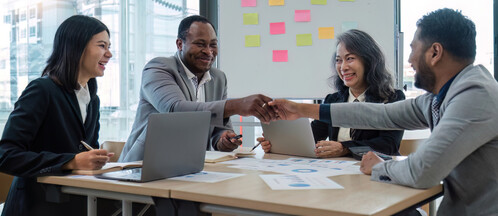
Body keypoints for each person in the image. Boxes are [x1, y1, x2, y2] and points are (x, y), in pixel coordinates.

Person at [267, 8, 498, 215]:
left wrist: (380, 166)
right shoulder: (441, 97)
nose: (410, 59)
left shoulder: (475, 96)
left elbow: (422, 171)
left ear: (435, 52)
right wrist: (301, 109)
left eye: (413, 49)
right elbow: (380, 115)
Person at [119, 15, 276, 162]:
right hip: (143, 166)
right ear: (180, 44)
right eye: (200, 44)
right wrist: (236, 105)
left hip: (193, 167)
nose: (208, 51)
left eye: (213, 45)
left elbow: (219, 130)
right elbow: (175, 109)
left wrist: (224, 140)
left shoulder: (218, 78)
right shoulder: (158, 68)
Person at [0, 15, 114, 215]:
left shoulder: (92, 100)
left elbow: (86, 150)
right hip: (36, 205)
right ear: (76, 47)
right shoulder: (42, 90)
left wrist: (95, 160)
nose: (109, 54)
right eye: (102, 46)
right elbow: (6, 155)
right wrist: (70, 161)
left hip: (75, 202)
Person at [257, 29, 405, 158]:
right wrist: (279, 144)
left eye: (350, 59)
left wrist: (345, 148)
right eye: (338, 60)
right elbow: (312, 138)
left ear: (369, 61)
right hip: (336, 173)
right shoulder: (333, 100)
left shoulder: (393, 98)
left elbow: (389, 145)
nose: (343, 67)